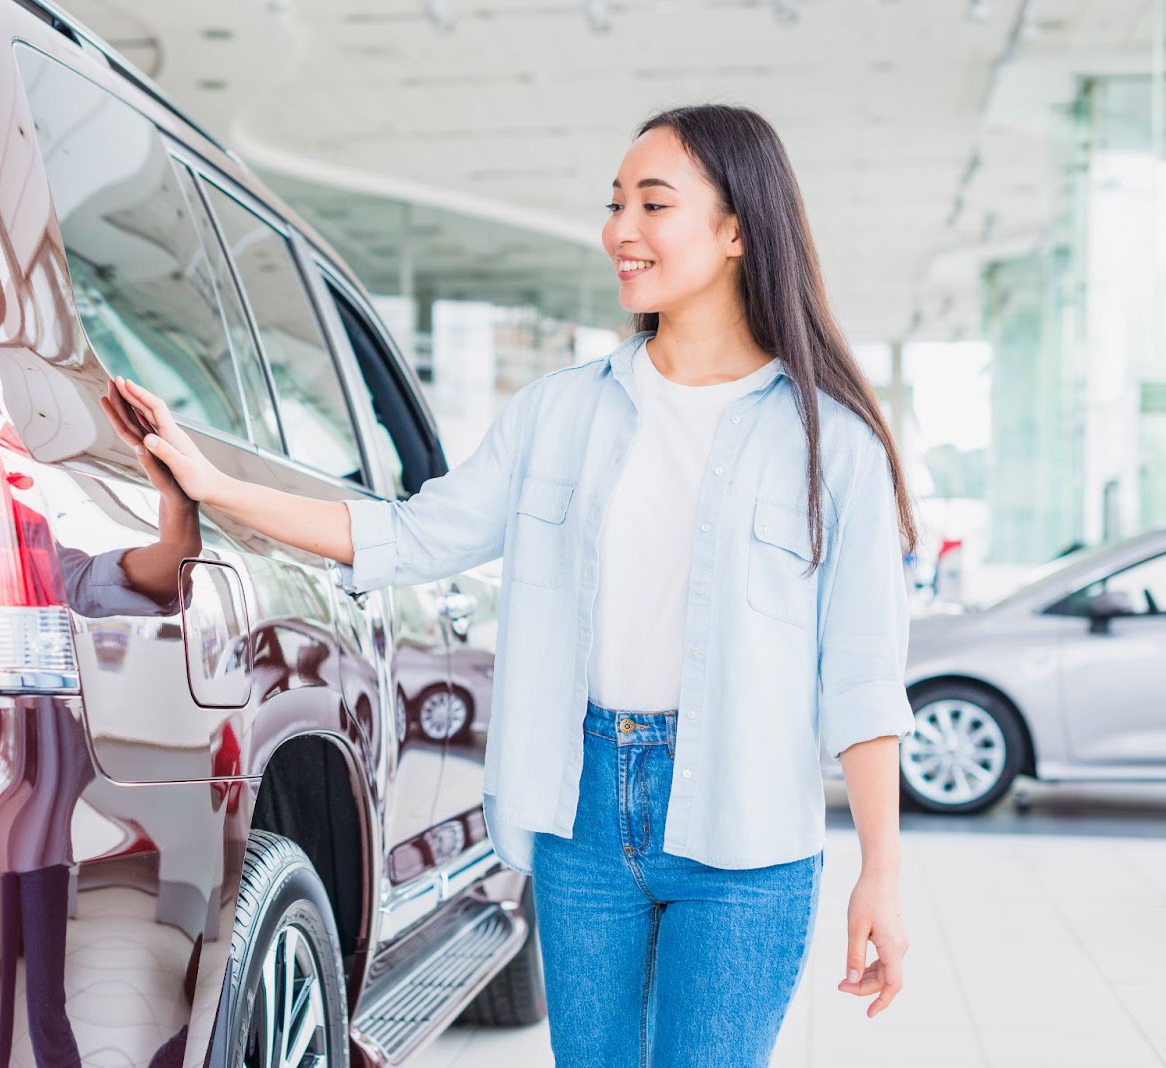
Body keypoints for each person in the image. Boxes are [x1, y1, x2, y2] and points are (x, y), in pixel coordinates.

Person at [106, 103, 916, 1068]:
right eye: (615, 204)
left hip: (747, 841)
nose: (621, 230)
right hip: (581, 816)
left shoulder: (836, 446)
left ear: (738, 229)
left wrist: (883, 872)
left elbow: (862, 682)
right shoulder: (558, 414)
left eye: (654, 205)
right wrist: (214, 484)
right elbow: (410, 536)